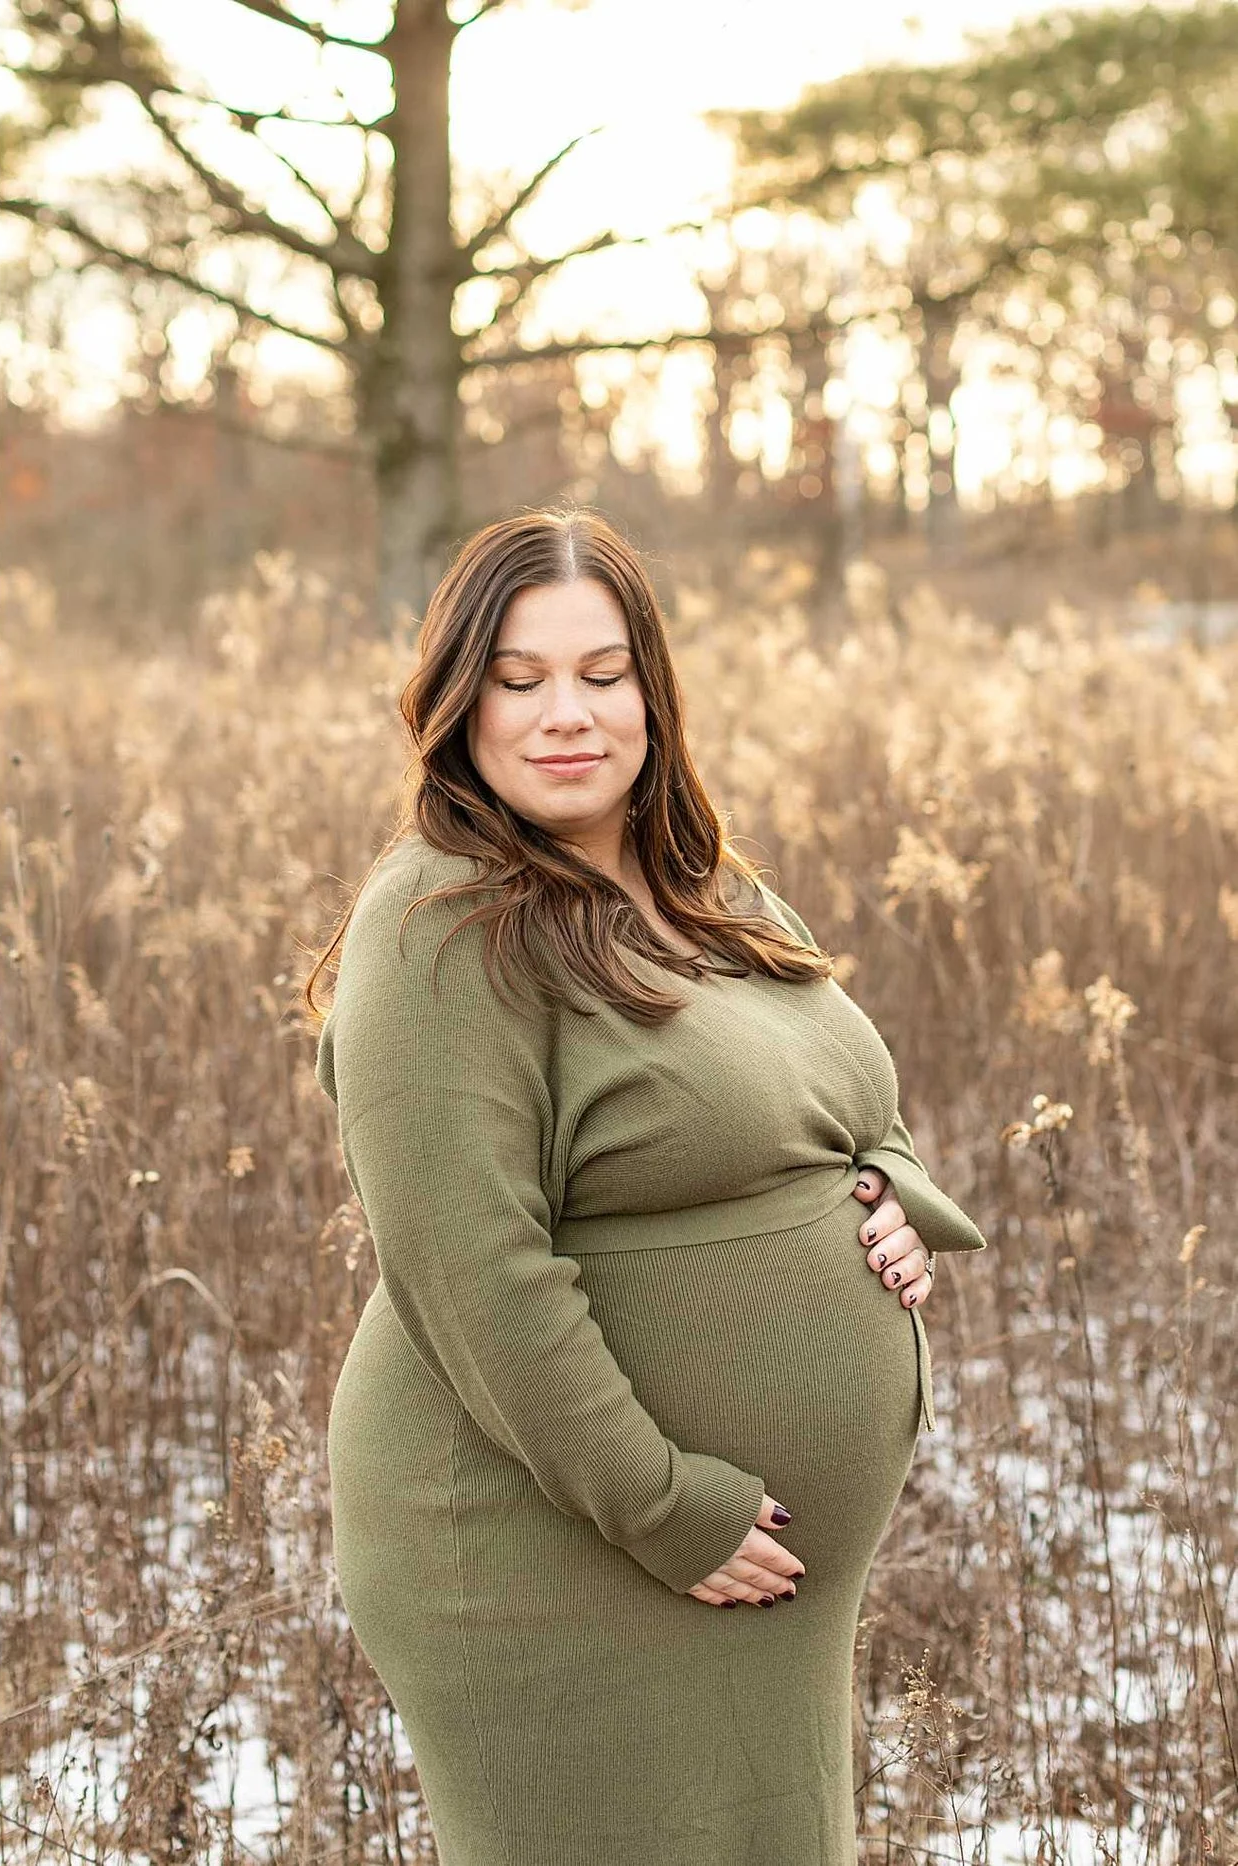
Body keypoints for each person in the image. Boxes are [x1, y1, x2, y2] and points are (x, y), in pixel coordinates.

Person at [307, 511, 985, 1863]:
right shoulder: (440, 923)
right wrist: (666, 1509)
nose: (565, 712)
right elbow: (471, 1271)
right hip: (554, 1546)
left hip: (751, 1573)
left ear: (651, 692)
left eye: (601, 673)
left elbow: (850, 1096)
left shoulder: (708, 888)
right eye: (519, 678)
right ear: (459, 703)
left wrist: (894, 1193)